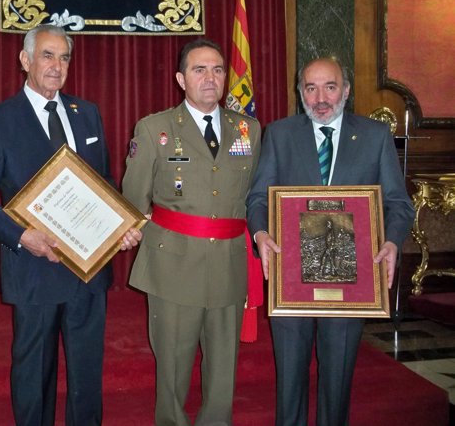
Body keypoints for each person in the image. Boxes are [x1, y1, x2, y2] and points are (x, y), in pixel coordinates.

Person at [0, 24, 140, 426]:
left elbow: (105, 185)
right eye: (47, 55)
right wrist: (21, 236)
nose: (56, 65)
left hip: (88, 270)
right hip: (33, 269)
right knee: (33, 377)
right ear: (25, 60)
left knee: (86, 378)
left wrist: (121, 228)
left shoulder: (87, 112)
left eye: (64, 57)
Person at [246, 57, 415, 426]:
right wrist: (260, 233)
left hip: (353, 282)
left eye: (330, 86)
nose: (320, 97)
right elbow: (258, 198)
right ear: (300, 92)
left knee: (336, 383)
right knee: (289, 380)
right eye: (311, 88)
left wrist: (392, 242)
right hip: (290, 276)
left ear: (346, 89)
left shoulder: (374, 136)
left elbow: (398, 204)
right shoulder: (279, 133)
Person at [122, 38, 261, 426]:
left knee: (223, 366)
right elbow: (134, 198)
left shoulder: (249, 130)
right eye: (199, 70)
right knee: (173, 362)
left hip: (230, 262)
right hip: (173, 263)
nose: (210, 78)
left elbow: (256, 196)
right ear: (181, 79)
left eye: (218, 69)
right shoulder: (155, 129)